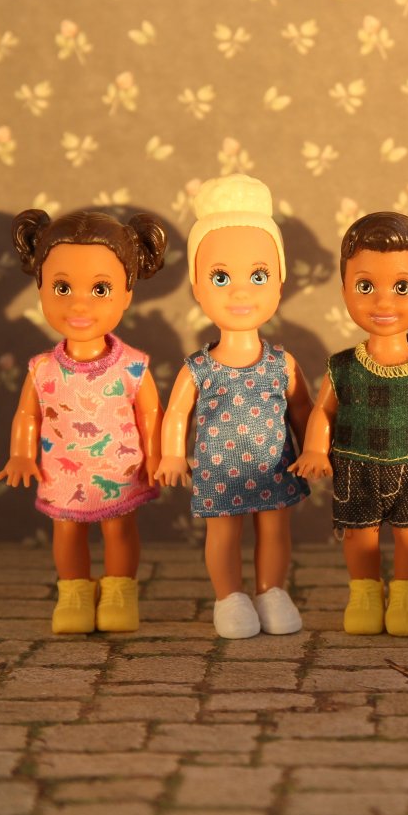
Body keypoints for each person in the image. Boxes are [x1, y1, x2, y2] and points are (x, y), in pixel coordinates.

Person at [290, 211, 408, 637]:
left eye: (402, 287)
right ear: (344, 290)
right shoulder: (342, 367)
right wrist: (315, 448)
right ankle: (365, 593)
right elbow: (323, 411)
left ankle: (407, 595)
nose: (384, 303)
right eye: (365, 286)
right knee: (359, 536)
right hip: (356, 467)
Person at [156, 175, 312, 639]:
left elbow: (303, 410)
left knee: (275, 531)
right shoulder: (199, 367)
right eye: (221, 278)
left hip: (274, 466)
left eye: (258, 276)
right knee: (223, 533)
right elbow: (177, 413)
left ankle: (272, 591)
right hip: (218, 468)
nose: (240, 293)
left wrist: (315, 450)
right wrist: (171, 454)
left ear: (278, 283)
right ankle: (229, 597)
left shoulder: (282, 363)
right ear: (197, 287)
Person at [0, 209, 167, 633]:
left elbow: (151, 413)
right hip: (62, 470)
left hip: (120, 468)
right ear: (40, 288)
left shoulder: (132, 365)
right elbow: (27, 413)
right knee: (66, 532)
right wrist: (21, 454)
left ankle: (119, 590)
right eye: (62, 287)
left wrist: (158, 454)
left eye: (100, 289)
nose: (79, 303)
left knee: (119, 530)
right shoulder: (42, 368)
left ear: (126, 294)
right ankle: (73, 592)